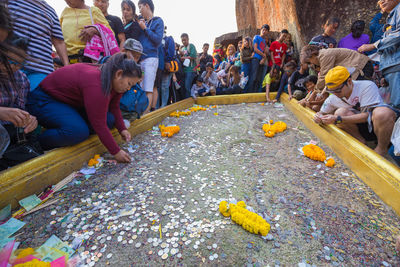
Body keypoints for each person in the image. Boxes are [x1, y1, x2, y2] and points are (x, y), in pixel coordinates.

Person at [26, 53, 141, 163]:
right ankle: (36, 143)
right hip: (44, 100)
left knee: (109, 120)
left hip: (69, 103)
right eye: (129, 83)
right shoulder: (98, 84)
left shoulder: (115, 82)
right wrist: (116, 151)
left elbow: (114, 107)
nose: (128, 88)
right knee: (78, 131)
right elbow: (99, 124)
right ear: (119, 74)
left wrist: (122, 129)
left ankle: (72, 128)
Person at [314, 66, 398, 156]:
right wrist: (318, 117)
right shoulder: (333, 98)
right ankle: (361, 142)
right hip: (359, 129)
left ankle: (381, 149)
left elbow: (367, 116)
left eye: (338, 90)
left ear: (349, 81)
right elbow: (321, 113)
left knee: (382, 113)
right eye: (332, 91)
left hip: (377, 127)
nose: (335, 94)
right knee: (340, 112)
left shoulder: (366, 86)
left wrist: (337, 119)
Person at [8, 0, 69, 91]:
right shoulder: (8, 2)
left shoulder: (50, 11)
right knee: (9, 100)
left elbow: (59, 42)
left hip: (41, 70)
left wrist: (67, 67)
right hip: (11, 64)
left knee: (35, 101)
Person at [0, 40, 40, 170]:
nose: (13, 67)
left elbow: (21, 109)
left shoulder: (21, 78)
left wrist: (29, 119)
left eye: (19, 63)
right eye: (9, 61)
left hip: (12, 135)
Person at [358, 0, 400, 109]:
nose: (381, 1)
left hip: (396, 66)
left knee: (397, 105)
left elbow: (397, 36)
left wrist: (373, 45)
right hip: (390, 66)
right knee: (393, 104)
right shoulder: (391, 15)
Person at [300, 45, 373, 92]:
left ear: (312, 55)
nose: (311, 64)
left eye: (309, 62)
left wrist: (315, 91)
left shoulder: (324, 55)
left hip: (362, 67)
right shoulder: (322, 56)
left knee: (361, 92)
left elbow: (324, 76)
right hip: (357, 69)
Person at [136, 0, 164, 114]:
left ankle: (146, 115)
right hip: (141, 60)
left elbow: (157, 40)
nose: (139, 10)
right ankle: (143, 113)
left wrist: (145, 29)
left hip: (151, 59)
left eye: (140, 7)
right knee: (142, 88)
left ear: (147, 6)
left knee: (148, 88)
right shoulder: (143, 23)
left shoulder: (158, 21)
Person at [247, 24, 270, 93]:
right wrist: (264, 56)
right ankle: (250, 93)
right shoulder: (256, 37)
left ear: (267, 32)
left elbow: (265, 51)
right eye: (263, 29)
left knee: (258, 78)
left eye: (266, 30)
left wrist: (264, 58)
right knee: (253, 77)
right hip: (255, 59)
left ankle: (255, 93)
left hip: (261, 61)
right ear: (261, 30)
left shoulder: (264, 41)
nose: (264, 31)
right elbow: (255, 49)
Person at [180, 33, 197, 99]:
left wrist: (184, 58)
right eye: (182, 40)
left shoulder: (191, 46)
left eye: (185, 40)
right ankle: (185, 100)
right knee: (183, 86)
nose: (184, 41)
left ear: (188, 39)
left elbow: (193, 56)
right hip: (184, 70)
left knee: (187, 86)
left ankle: (189, 100)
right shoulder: (183, 48)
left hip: (191, 70)